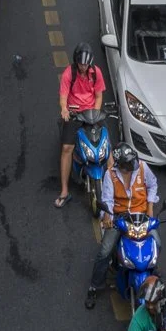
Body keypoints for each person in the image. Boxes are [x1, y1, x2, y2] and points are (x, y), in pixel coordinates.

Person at [86, 142, 159, 308]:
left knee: (157, 244)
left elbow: (153, 184)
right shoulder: (110, 175)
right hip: (120, 218)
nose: (132, 165)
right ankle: (94, 286)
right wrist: (108, 217)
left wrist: (150, 207)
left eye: (132, 161)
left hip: (141, 217)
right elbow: (107, 199)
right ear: (120, 164)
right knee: (105, 251)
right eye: (128, 163)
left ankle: (153, 271)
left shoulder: (142, 167)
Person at [56, 44, 105, 208]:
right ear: (76, 61)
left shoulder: (96, 72)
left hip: (92, 113)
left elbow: (98, 96)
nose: (83, 67)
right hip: (75, 113)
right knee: (66, 149)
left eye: (86, 64)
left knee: (107, 146)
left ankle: (114, 187)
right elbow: (63, 97)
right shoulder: (69, 73)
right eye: (81, 64)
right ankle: (64, 191)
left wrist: (95, 114)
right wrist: (64, 109)